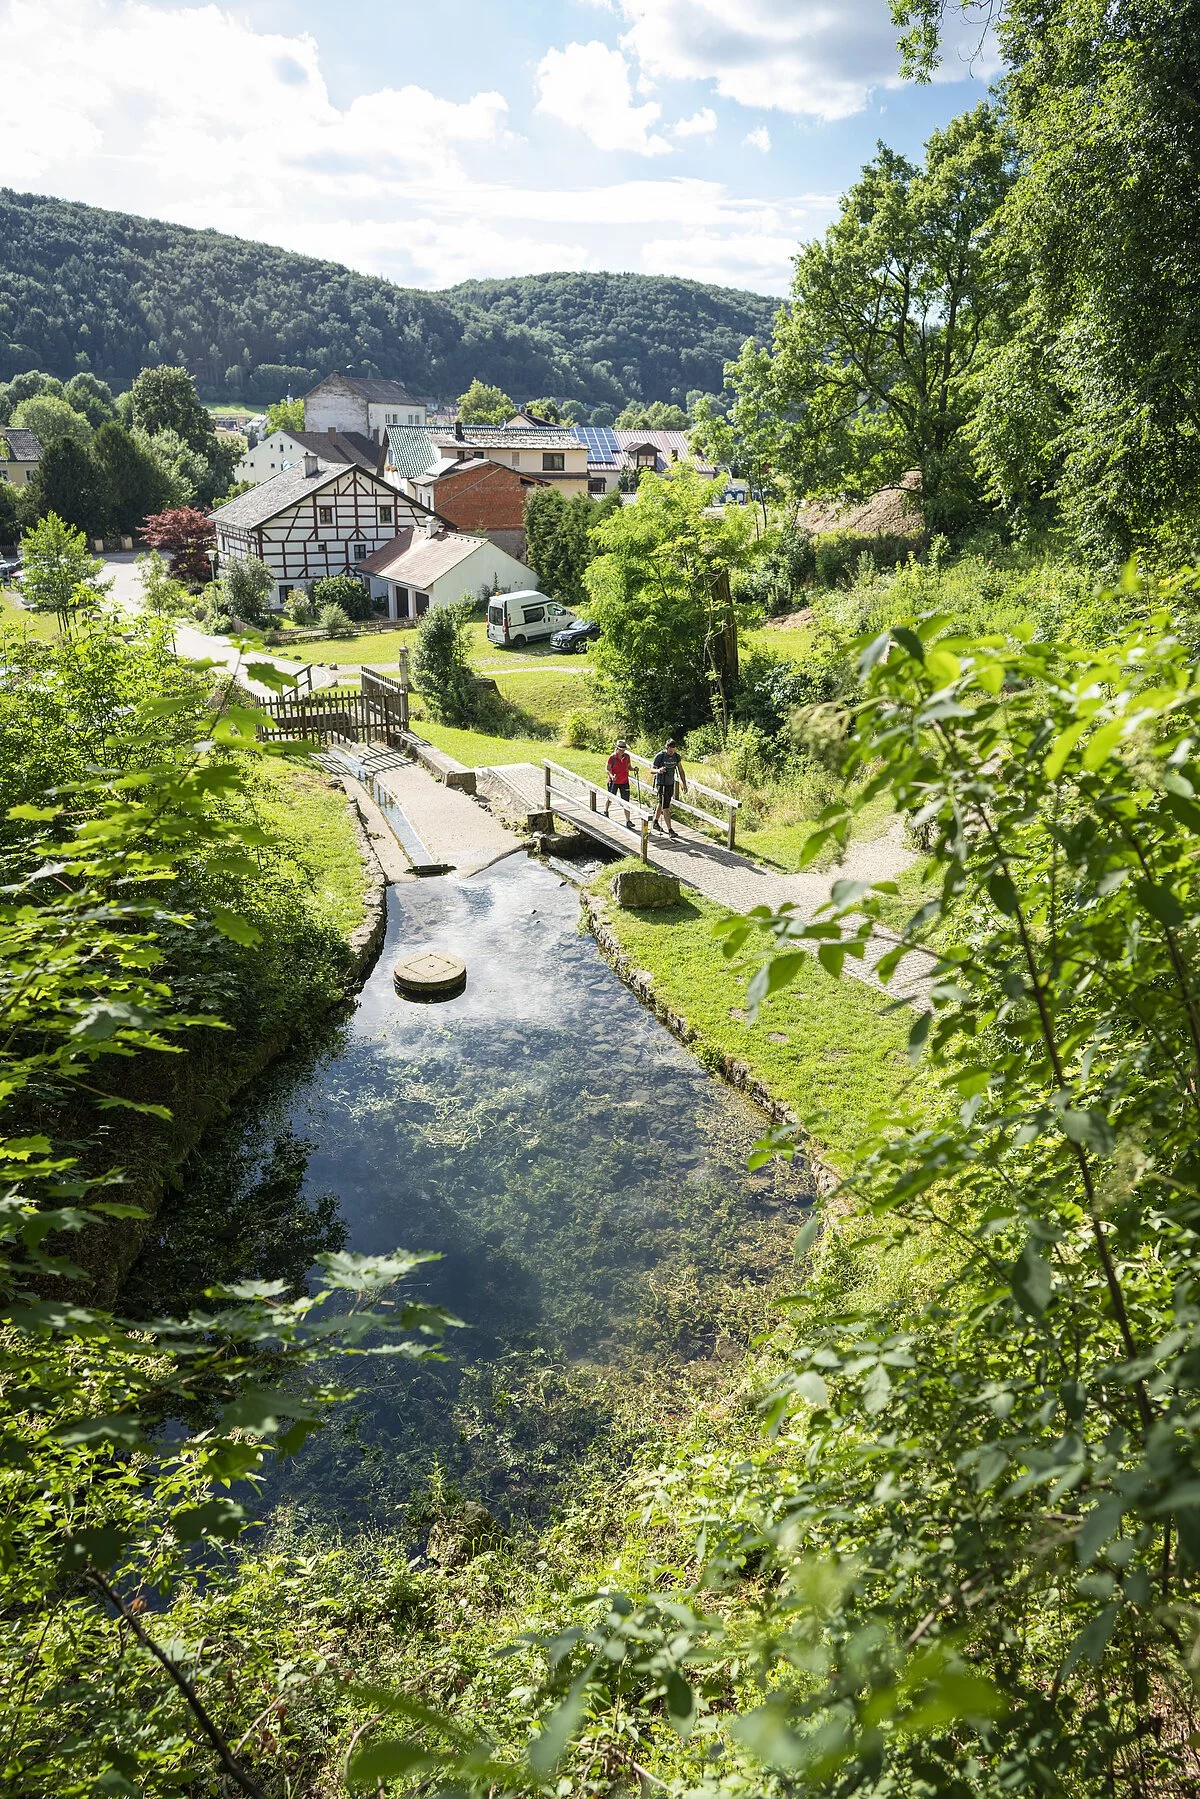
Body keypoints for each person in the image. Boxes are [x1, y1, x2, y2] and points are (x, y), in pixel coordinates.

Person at [651, 737, 687, 837]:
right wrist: (659, 770)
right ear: (666, 748)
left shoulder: (676, 756)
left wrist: (684, 783)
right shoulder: (660, 756)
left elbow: (680, 770)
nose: (671, 752)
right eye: (670, 750)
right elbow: (651, 770)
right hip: (661, 783)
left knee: (662, 803)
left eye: (673, 750)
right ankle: (670, 830)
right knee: (666, 807)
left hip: (670, 784)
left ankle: (655, 822)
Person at [603, 738, 634, 828]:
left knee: (626, 801)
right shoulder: (612, 757)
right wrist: (612, 776)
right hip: (614, 781)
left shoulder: (627, 757)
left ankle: (628, 821)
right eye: (621, 750)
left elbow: (629, 767)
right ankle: (606, 810)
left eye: (624, 750)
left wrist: (634, 769)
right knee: (611, 797)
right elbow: (607, 769)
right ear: (617, 749)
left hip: (624, 781)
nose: (622, 751)